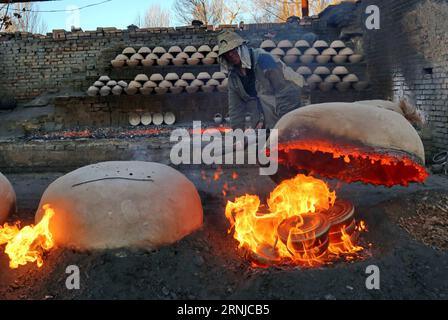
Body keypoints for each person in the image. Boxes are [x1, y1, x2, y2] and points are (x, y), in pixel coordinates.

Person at [217, 30, 304, 130]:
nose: (230, 55)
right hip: (262, 116)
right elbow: (235, 109)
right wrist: (238, 136)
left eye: (233, 50)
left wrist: (283, 125)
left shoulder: (264, 60)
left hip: (289, 106)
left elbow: (286, 91)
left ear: (242, 47)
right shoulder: (234, 77)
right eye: (226, 53)